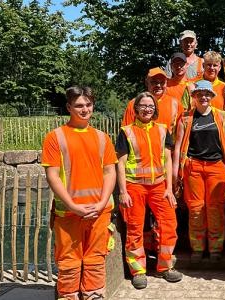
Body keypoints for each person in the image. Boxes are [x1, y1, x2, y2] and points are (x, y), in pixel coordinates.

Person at [42, 86, 117, 299]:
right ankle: (68, 296)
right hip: (69, 213)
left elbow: (110, 172)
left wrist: (102, 203)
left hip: (99, 212)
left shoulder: (103, 138)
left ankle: (93, 294)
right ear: (69, 107)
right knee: (68, 262)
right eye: (79, 105)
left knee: (96, 258)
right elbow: (53, 176)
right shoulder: (55, 137)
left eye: (88, 105)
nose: (84, 109)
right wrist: (74, 206)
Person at [116, 92, 183, 289]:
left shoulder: (163, 130)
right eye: (143, 106)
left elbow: (169, 159)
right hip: (134, 186)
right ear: (136, 109)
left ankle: (165, 267)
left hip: (159, 186)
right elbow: (120, 164)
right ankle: (138, 271)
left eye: (150, 106)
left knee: (168, 224)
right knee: (135, 227)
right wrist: (122, 192)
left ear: (155, 110)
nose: (147, 109)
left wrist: (169, 189)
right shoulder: (126, 132)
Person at [172, 80, 225, 263]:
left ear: (212, 96)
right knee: (196, 209)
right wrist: (176, 173)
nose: (204, 97)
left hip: (217, 167)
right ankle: (197, 248)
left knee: (215, 209)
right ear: (194, 97)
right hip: (194, 167)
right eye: (200, 94)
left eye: (207, 94)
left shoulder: (222, 116)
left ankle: (215, 248)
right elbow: (177, 147)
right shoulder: (185, 118)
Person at [123, 67, 182, 134]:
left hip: (166, 144)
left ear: (166, 83)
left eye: (162, 82)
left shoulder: (175, 104)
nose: (158, 85)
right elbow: (126, 132)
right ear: (147, 82)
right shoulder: (133, 104)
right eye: (154, 82)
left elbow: (181, 132)